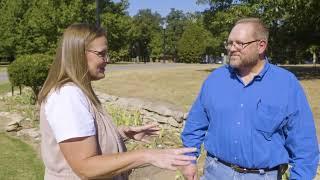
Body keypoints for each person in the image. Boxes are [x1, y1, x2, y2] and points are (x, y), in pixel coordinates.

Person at [37, 23, 196, 180]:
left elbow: (85, 142)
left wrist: (120, 135)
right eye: (101, 53)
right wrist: (147, 155)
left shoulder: (77, 92)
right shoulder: (67, 96)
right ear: (78, 54)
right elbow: (85, 167)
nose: (108, 59)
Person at [180, 17, 319, 180]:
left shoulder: (286, 84)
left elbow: (304, 145)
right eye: (230, 43)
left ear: (261, 46)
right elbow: (195, 125)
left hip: (263, 176)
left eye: (240, 43)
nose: (232, 48)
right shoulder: (215, 80)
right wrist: (189, 161)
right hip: (216, 172)